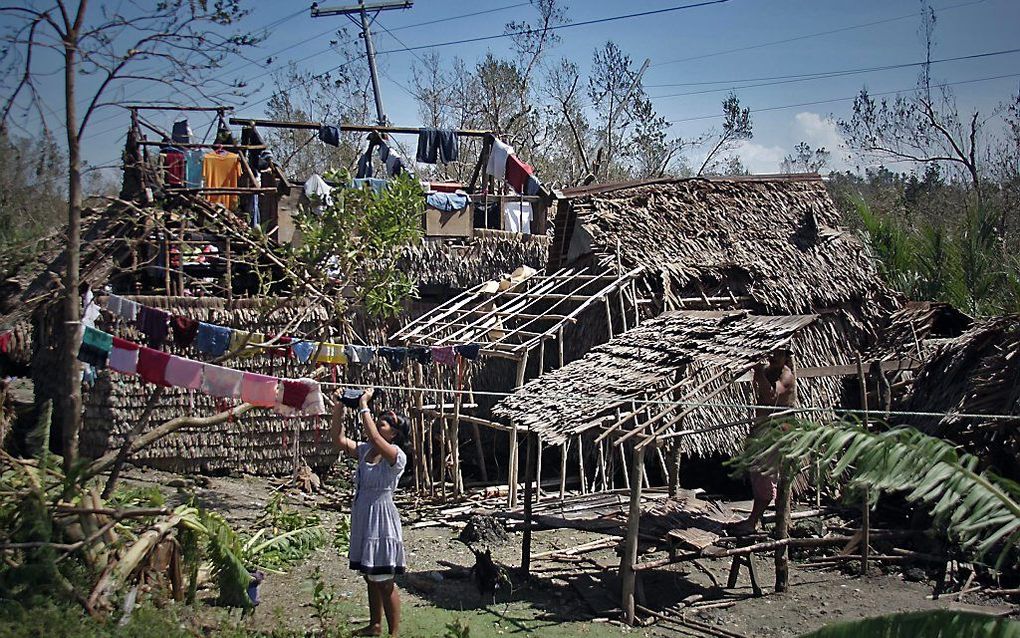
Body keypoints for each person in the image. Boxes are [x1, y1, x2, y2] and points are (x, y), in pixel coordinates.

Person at [331, 388, 410, 637]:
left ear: (395, 434)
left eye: (386, 422)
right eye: (380, 419)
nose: (380, 422)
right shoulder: (366, 450)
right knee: (370, 575)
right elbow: (339, 440)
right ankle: (375, 625)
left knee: (385, 580)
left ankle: (393, 633)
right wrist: (339, 407)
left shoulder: (396, 456)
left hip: (382, 518)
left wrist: (363, 404)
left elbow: (376, 439)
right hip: (364, 515)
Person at [730, 350, 796, 536]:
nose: (773, 357)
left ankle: (753, 521)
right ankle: (753, 519)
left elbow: (771, 397)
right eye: (771, 353)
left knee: (765, 475)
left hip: (776, 432)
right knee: (757, 472)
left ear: (785, 356)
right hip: (763, 428)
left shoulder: (786, 375)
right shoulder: (768, 370)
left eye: (778, 354)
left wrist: (759, 375)